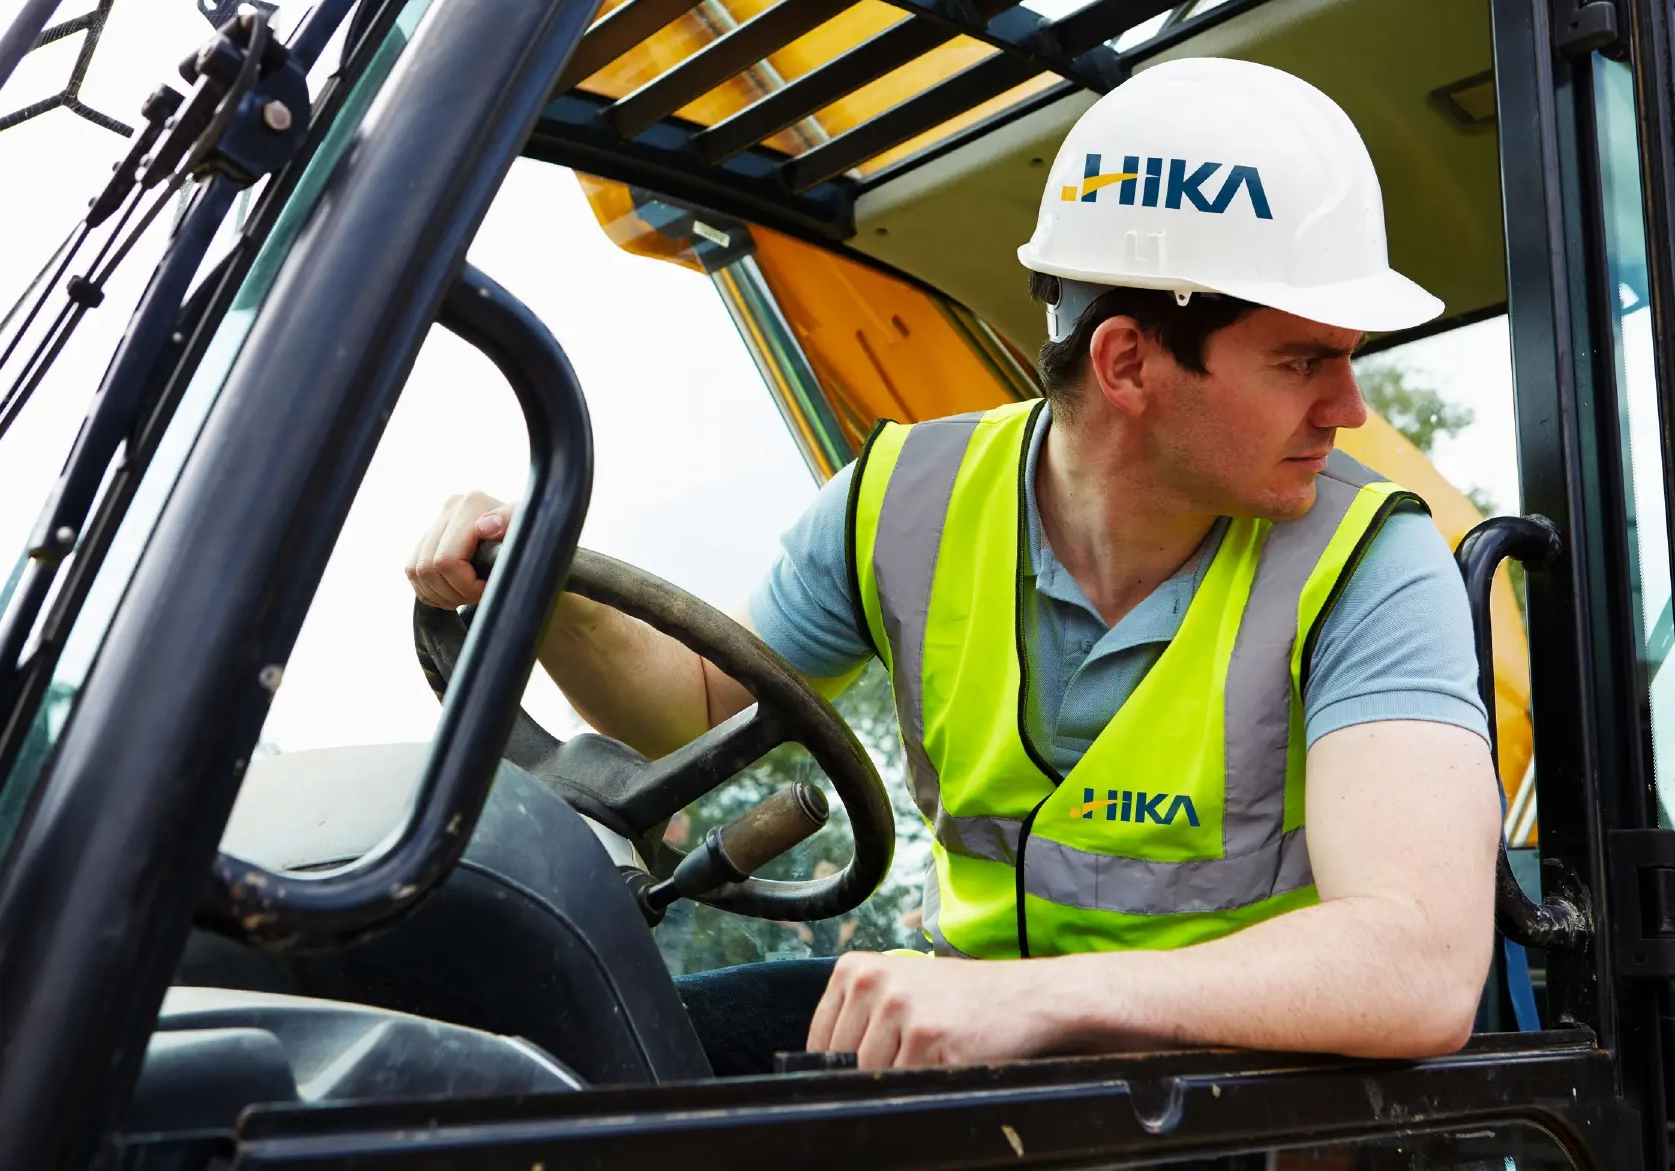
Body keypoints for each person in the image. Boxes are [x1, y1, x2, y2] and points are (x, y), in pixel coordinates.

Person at [408, 57, 1501, 1075]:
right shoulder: (901, 501)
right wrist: (543, 584)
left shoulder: (1371, 558)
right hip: (980, 1038)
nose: (1348, 408)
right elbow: (686, 714)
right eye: (1302, 362)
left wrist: (1035, 999)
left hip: (1241, 1084)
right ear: (1128, 361)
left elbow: (1418, 965)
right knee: (578, 1055)